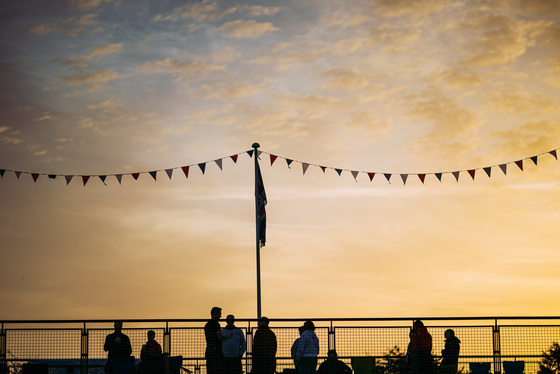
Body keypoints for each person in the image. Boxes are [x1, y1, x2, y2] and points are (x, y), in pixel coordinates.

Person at [205, 307, 231, 374]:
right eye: (219, 314)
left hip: (209, 350)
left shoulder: (207, 324)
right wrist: (228, 336)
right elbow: (220, 337)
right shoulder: (216, 324)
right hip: (216, 352)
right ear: (215, 314)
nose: (220, 316)